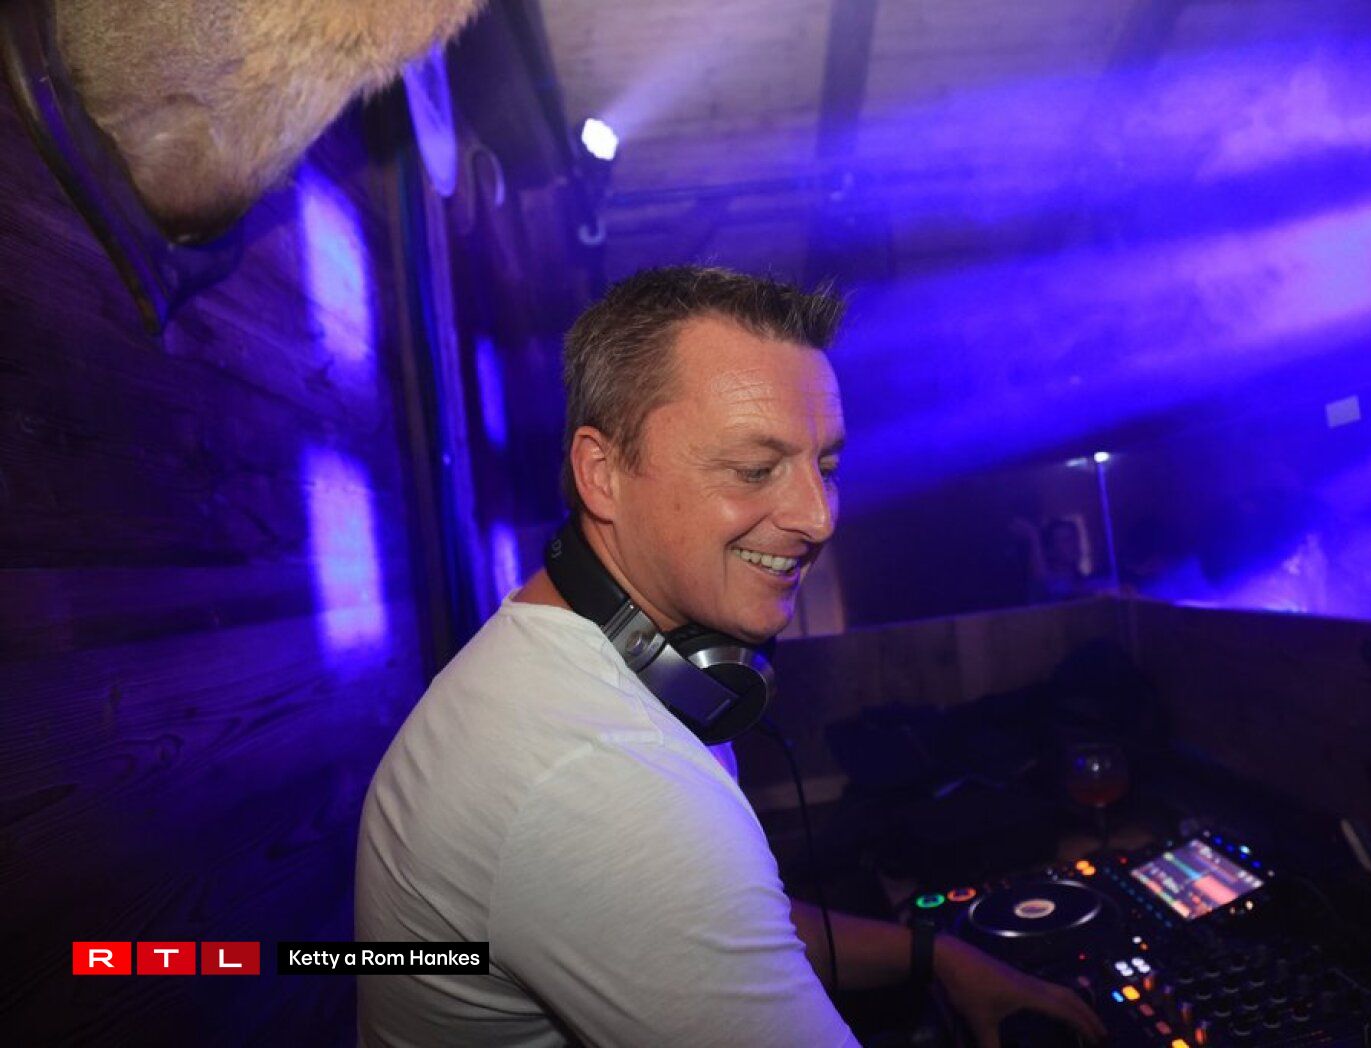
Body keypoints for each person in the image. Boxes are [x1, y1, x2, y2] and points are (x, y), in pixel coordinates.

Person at [356, 266, 1107, 1047]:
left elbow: (725, 928)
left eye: (826, 468)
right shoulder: (603, 777)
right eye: (754, 470)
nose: (818, 518)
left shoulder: (593, 661)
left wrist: (936, 955)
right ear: (602, 475)